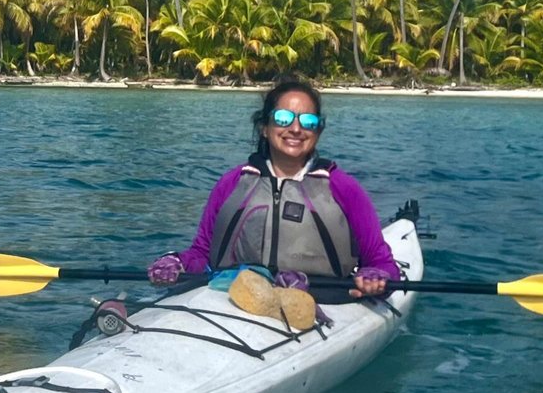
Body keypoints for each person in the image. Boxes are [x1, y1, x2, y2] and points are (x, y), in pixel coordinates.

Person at [147, 77, 401, 299]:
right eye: (283, 118)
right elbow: (203, 253)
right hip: (236, 297)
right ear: (265, 128)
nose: (296, 129)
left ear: (318, 131)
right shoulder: (232, 183)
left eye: (308, 121)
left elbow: (382, 263)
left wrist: (376, 278)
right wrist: (177, 261)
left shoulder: (344, 188)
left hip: (323, 299)